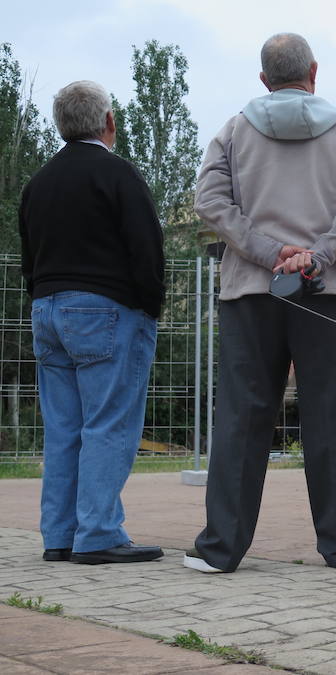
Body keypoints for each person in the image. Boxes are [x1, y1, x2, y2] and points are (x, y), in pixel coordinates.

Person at [185, 33, 336, 573]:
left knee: (242, 417)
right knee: (332, 417)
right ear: (314, 72)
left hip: (251, 291)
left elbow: (209, 201)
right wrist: (316, 256)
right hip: (329, 291)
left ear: (263, 80)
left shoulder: (233, 131)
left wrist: (270, 252)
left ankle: (221, 549)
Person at [19, 80, 166, 564]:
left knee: (64, 428)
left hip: (47, 310)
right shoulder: (118, 174)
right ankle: (99, 533)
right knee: (109, 423)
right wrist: (149, 308)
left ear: (61, 125)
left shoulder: (38, 183)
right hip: (106, 309)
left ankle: (59, 535)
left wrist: (43, 299)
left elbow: (28, 255)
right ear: (109, 122)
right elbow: (146, 246)